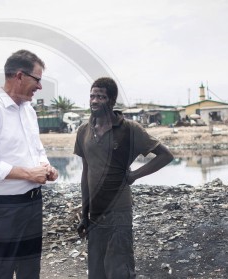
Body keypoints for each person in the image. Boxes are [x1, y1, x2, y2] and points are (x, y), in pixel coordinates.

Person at [0, 49, 59, 279]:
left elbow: (37, 148)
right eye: (37, 80)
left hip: (32, 202)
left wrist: (45, 166)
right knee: (3, 269)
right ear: (19, 76)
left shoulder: (28, 110)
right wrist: (29, 173)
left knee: (30, 269)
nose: (40, 87)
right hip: (4, 207)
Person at [74, 77, 174, 278]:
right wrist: (84, 214)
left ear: (111, 101)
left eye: (100, 97)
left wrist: (135, 175)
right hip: (95, 212)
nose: (94, 100)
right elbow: (86, 172)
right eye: (92, 96)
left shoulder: (130, 129)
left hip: (119, 211)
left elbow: (165, 155)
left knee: (120, 269)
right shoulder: (84, 130)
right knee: (96, 271)